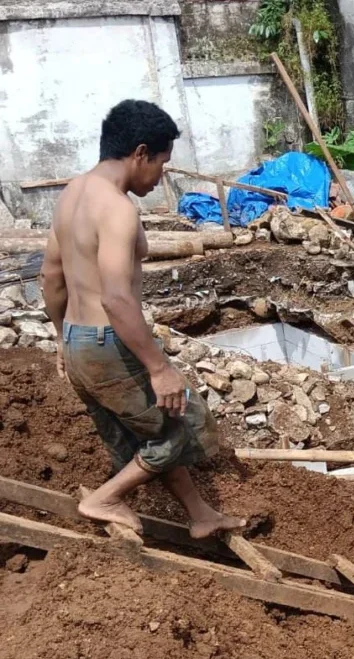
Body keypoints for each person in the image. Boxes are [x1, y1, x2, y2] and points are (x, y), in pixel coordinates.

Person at [40, 99, 245, 539]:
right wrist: (159, 368)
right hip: (107, 342)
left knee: (148, 433)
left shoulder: (72, 194)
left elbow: (51, 276)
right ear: (140, 153)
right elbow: (116, 298)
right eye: (162, 162)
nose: (162, 174)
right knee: (184, 425)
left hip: (79, 339)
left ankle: (200, 514)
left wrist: (63, 340)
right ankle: (105, 498)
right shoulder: (116, 209)